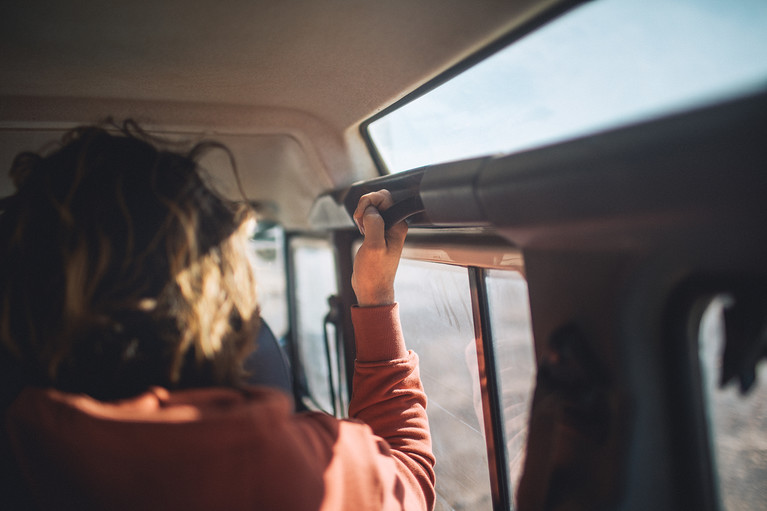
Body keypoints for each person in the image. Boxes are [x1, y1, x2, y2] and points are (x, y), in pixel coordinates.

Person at [0, 123, 435, 510]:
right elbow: (408, 479)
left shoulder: (22, 451)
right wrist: (375, 296)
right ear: (216, 293)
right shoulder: (293, 467)